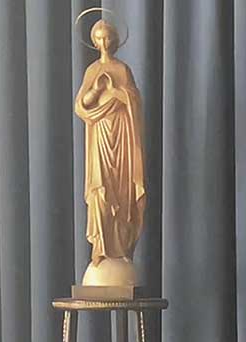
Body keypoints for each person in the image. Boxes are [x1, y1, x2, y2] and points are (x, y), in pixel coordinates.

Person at [74, 19, 146, 284]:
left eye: (108, 38)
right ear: (94, 42)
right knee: (101, 192)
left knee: (123, 193)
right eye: (100, 38)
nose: (104, 43)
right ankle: (101, 250)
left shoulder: (122, 69)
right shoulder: (92, 71)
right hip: (100, 136)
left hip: (123, 138)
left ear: (114, 40)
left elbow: (134, 101)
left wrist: (116, 91)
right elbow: (81, 107)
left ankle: (122, 249)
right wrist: (95, 90)